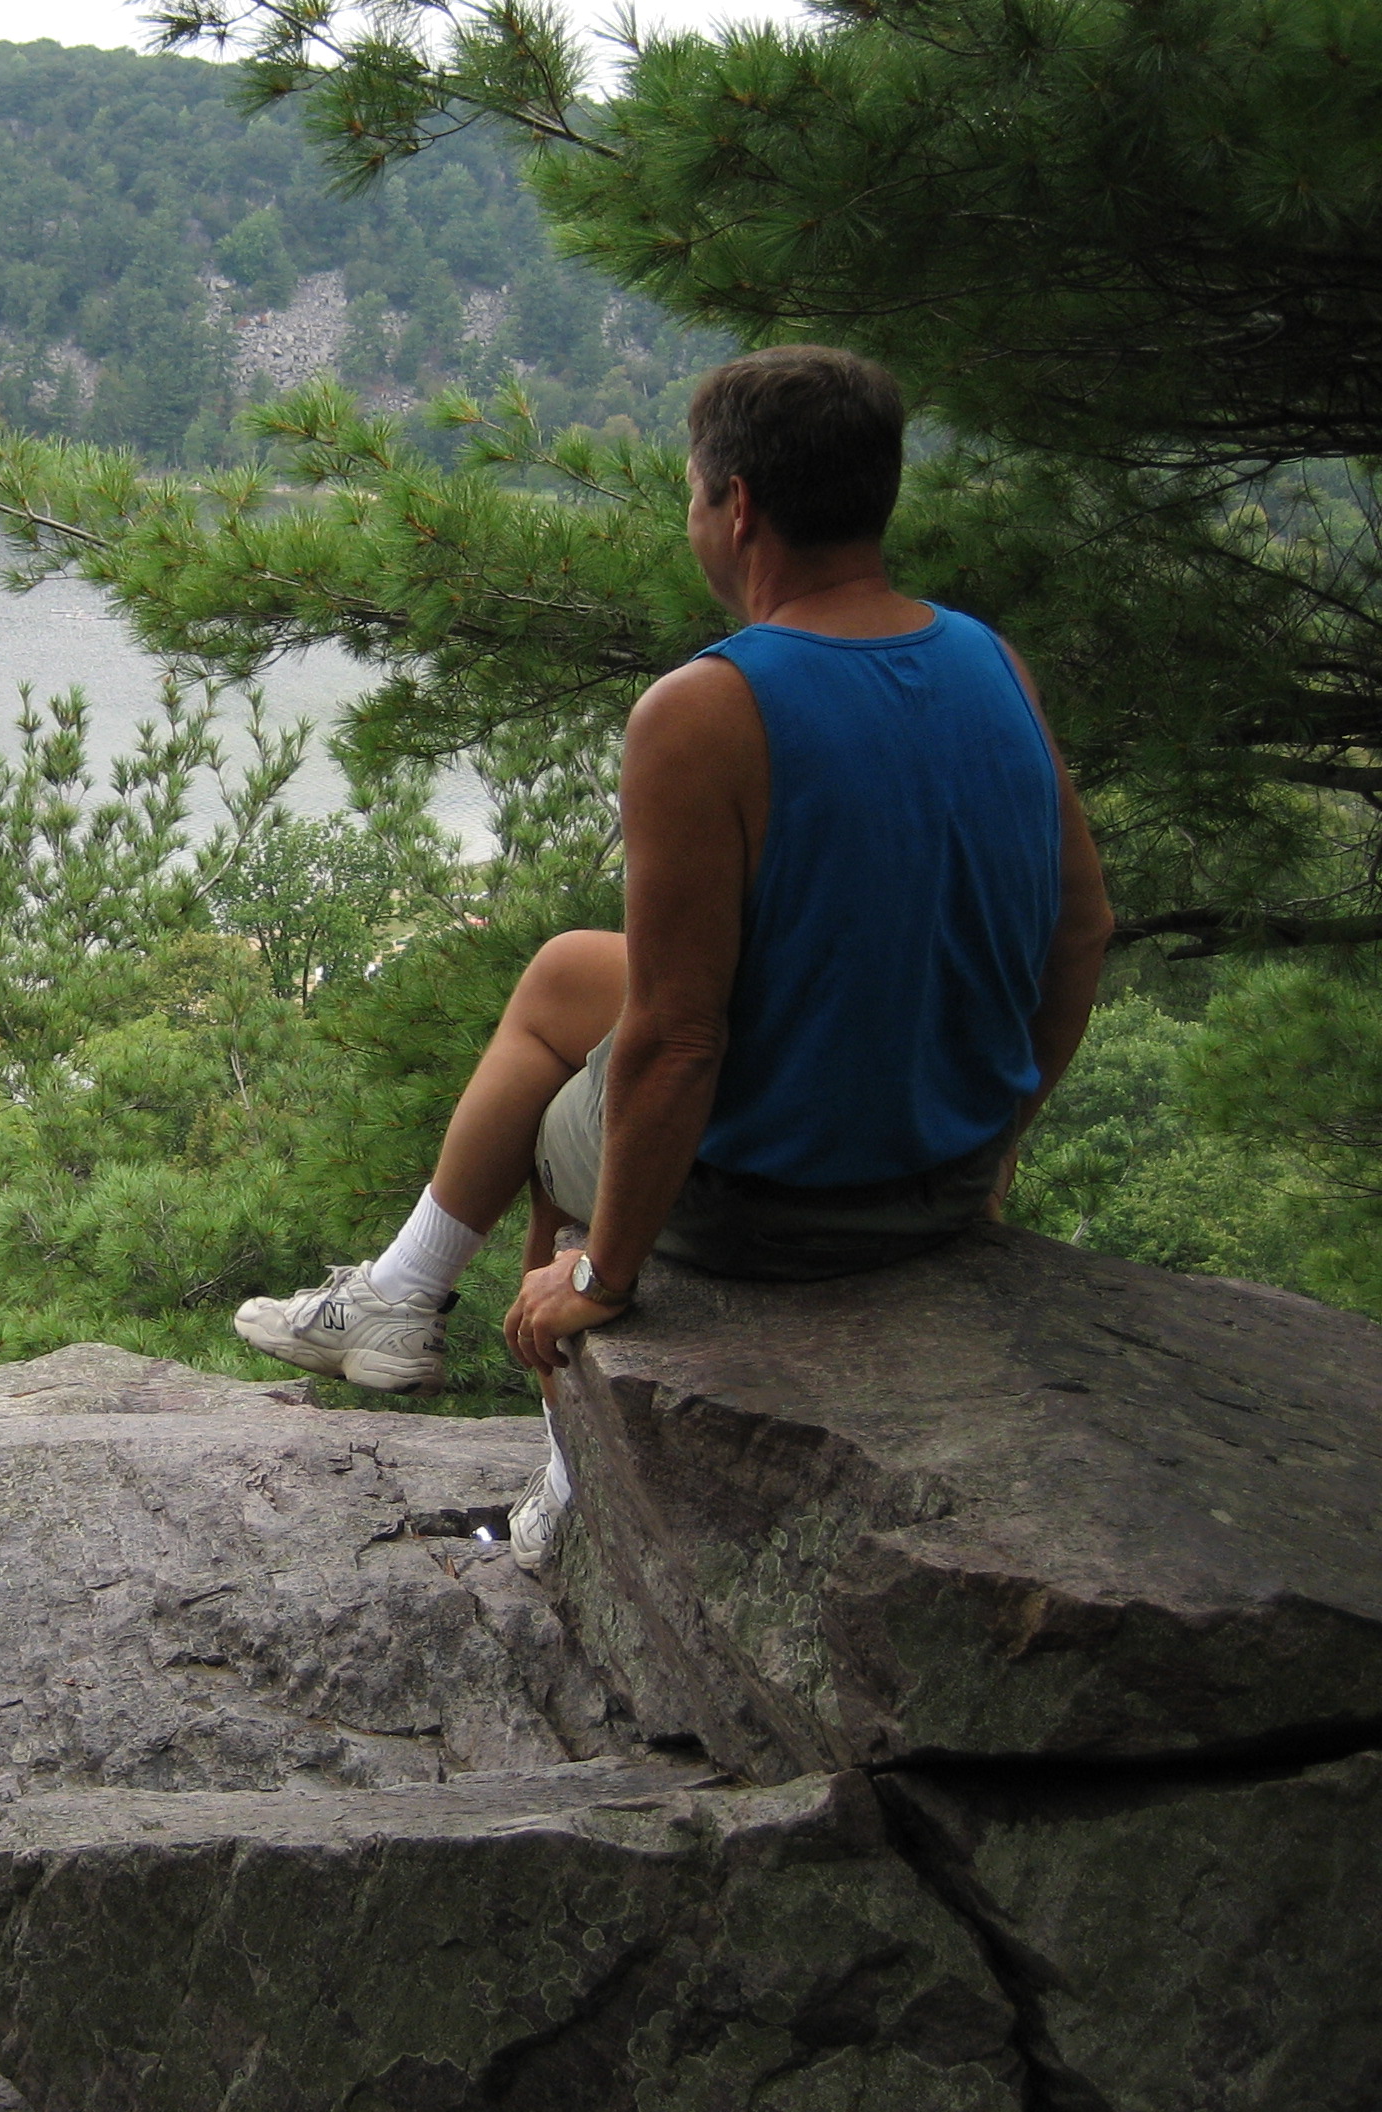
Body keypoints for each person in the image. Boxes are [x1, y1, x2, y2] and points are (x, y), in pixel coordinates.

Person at [234, 344, 1115, 1569]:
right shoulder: (985, 660)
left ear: (737, 506)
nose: (692, 517)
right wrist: (991, 1142)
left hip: (783, 1214)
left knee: (571, 1108)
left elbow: (676, 1036)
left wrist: (601, 1270)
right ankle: (399, 1294)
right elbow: (1081, 931)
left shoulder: (705, 707)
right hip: (943, 1177)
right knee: (560, 976)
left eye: (692, 494)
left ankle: (572, 1483)